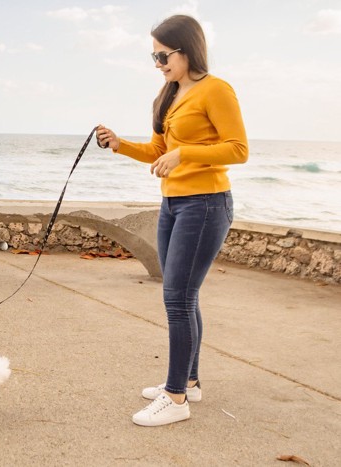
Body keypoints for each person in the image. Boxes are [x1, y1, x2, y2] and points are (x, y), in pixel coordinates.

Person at [96, 14, 248, 426]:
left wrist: (186, 154)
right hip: (172, 204)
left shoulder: (216, 90)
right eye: (154, 55)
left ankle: (175, 397)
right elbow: (157, 150)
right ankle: (190, 381)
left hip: (206, 203)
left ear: (186, 49)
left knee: (178, 298)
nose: (158, 63)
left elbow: (238, 150)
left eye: (163, 55)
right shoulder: (168, 94)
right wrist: (120, 144)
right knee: (184, 295)